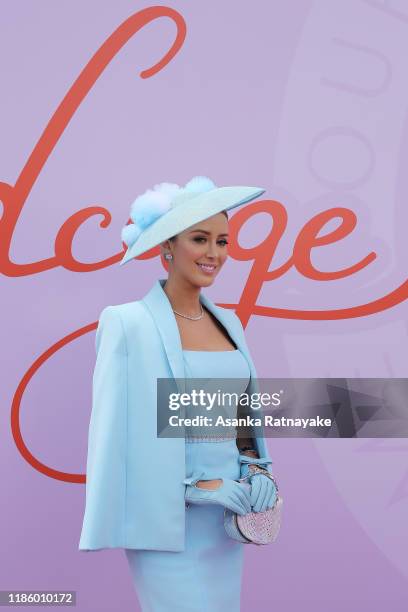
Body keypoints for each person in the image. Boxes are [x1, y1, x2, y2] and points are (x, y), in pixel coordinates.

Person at [78, 176, 278, 611]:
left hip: (227, 519)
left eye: (222, 241)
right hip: (166, 522)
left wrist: (257, 472)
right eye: (200, 239)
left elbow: (241, 417)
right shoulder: (126, 322)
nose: (214, 254)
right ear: (167, 246)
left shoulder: (230, 323)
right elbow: (115, 435)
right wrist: (192, 486)